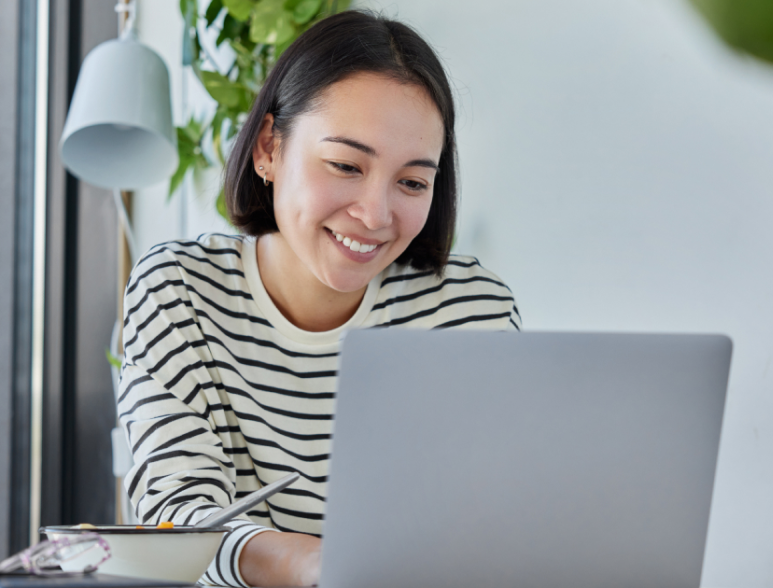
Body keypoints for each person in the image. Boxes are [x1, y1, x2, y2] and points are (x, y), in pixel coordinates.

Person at [117, 10, 521, 588]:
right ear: (268, 149)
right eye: (345, 166)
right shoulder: (179, 293)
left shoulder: (468, 308)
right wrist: (306, 566)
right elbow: (177, 517)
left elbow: (496, 522)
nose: (376, 215)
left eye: (412, 181)